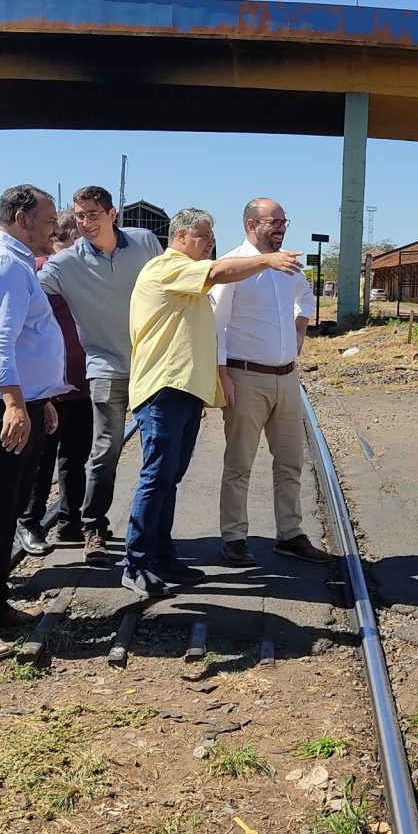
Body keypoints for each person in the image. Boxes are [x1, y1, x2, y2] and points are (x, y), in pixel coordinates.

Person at [123, 208, 303, 597]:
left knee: (169, 478)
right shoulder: (165, 267)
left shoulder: (187, 280)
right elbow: (220, 273)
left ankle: (162, 556)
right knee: (156, 477)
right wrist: (266, 260)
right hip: (163, 390)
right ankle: (136, 561)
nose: (209, 246)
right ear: (182, 237)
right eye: (204, 238)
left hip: (186, 391)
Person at [39, 186, 163, 565]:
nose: (86, 222)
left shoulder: (145, 242)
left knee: (159, 450)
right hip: (105, 365)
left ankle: (154, 531)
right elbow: (26, 297)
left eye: (93, 214)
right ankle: (93, 526)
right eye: (79, 216)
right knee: (105, 449)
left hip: (152, 364)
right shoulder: (64, 265)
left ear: (112, 215)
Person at [210, 198, 327, 567]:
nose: (280, 227)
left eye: (283, 222)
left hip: (286, 378)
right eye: (273, 221)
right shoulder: (232, 267)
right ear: (250, 224)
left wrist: (299, 333)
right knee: (240, 463)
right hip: (245, 378)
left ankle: (290, 534)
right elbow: (216, 325)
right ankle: (233, 538)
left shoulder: (290, 267)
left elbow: (304, 300)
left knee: (290, 461)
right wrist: (222, 376)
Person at [0, 185, 65, 660]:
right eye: (49, 219)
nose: (55, 227)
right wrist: (14, 403)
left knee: (4, 509)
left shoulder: (13, 260)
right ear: (22, 217)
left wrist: (38, 399)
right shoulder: (7, 264)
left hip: (14, 399)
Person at [17, 208, 94, 553]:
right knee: (41, 459)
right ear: (62, 240)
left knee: (75, 458)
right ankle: (29, 523)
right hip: (50, 385)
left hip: (81, 381)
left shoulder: (85, 275)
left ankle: (69, 522)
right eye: (76, 240)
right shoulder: (38, 272)